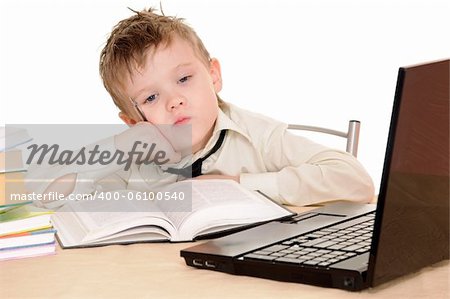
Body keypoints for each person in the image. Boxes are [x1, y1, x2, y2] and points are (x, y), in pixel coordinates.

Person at [27, 8, 374, 207]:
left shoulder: (257, 135)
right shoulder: (129, 158)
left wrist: (240, 184)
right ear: (134, 122)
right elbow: (40, 197)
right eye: (150, 98)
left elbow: (356, 180)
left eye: (183, 79)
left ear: (214, 76)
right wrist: (115, 149)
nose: (173, 101)